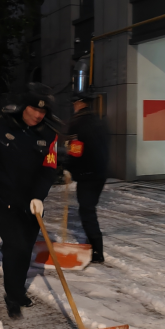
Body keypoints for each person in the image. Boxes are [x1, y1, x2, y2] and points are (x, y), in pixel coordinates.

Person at [0, 84, 59, 318]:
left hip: (30, 203)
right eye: (33, 109)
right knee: (15, 246)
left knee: (26, 248)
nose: (38, 115)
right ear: (24, 106)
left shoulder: (49, 134)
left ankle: (17, 289)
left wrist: (38, 197)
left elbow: (49, 169)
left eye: (42, 111)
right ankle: (13, 295)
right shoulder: (0, 126)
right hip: (3, 197)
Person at [64, 92, 110, 263]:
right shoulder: (100, 121)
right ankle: (94, 247)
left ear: (77, 104)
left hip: (86, 174)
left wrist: (69, 167)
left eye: (74, 103)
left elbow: (75, 150)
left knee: (87, 211)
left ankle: (97, 251)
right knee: (90, 209)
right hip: (100, 174)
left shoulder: (76, 123)